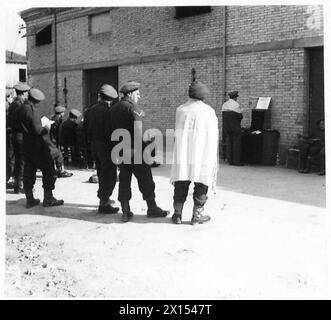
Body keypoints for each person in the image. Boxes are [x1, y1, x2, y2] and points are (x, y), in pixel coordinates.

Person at [109, 81, 169, 222]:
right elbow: (139, 132)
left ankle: (125, 211)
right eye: (137, 94)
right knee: (146, 179)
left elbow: (109, 130)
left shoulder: (113, 108)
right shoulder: (133, 108)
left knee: (124, 180)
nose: (139, 96)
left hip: (120, 150)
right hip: (136, 151)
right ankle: (152, 207)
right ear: (129, 94)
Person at [170, 80, 219, 225]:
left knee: (181, 179)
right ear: (203, 96)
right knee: (201, 181)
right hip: (202, 152)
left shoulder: (181, 110)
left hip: (184, 152)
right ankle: (196, 216)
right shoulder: (208, 111)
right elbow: (213, 134)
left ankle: (177, 214)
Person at [17, 87, 64, 208]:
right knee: (49, 170)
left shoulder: (21, 108)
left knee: (29, 171)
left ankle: (29, 198)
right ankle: (48, 198)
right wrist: (47, 127)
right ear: (37, 100)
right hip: (37, 146)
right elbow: (37, 130)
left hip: (26, 145)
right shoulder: (31, 110)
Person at [84, 84, 119, 214]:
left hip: (94, 146)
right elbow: (112, 132)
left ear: (100, 96)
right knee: (109, 174)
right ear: (111, 99)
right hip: (107, 147)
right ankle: (104, 203)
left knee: (100, 172)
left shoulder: (89, 111)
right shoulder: (109, 112)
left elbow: (85, 130)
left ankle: (104, 198)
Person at [7, 83, 31, 193]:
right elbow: (21, 122)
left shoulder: (13, 104)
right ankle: (20, 184)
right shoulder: (19, 106)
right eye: (26, 93)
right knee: (22, 161)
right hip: (20, 136)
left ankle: (17, 185)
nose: (27, 95)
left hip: (14, 135)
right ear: (23, 93)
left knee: (17, 161)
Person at [222, 90, 244, 166]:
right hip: (235, 128)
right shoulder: (236, 105)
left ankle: (230, 160)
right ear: (235, 97)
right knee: (236, 144)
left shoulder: (225, 105)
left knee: (229, 143)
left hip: (227, 128)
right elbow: (240, 116)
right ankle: (236, 161)